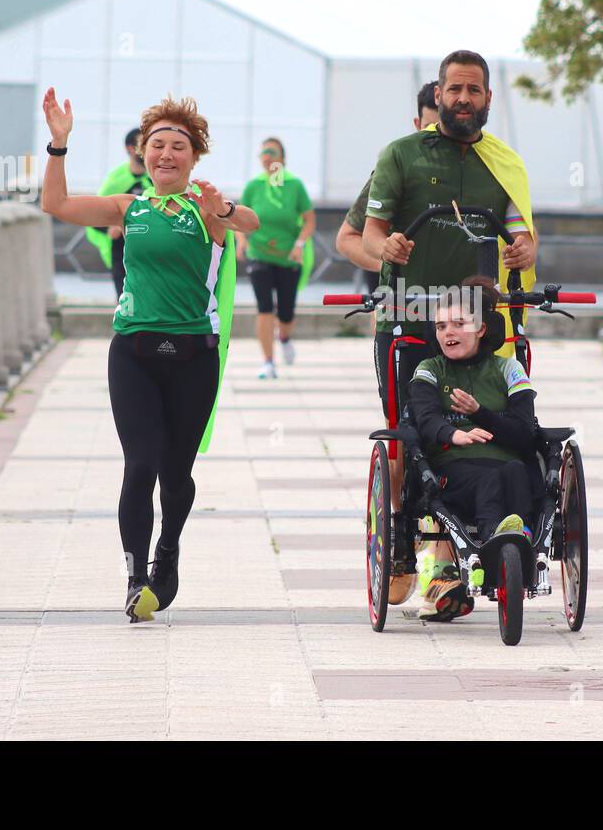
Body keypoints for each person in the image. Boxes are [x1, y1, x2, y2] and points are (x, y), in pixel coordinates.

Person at [39, 89, 260, 623]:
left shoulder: (204, 208)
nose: (165, 153)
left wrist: (222, 209)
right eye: (156, 144)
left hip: (193, 357)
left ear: (194, 155)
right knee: (139, 464)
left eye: (177, 145)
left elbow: (249, 223)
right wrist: (58, 146)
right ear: (142, 152)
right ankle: (137, 576)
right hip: (133, 353)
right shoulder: (128, 206)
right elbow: (56, 205)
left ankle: (169, 550)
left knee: (175, 472)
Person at [361, 50, 538, 609]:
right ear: (437, 95)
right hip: (408, 323)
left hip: (484, 328)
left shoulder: (503, 161)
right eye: (454, 89)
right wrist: (384, 248)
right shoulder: (400, 155)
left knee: (489, 432)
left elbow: (519, 233)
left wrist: (527, 247)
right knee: (410, 438)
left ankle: (459, 564)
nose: (464, 99)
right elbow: (368, 235)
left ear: (489, 98)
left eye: (475, 90)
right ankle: (403, 546)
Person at [409, 276, 536, 620]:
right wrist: (453, 435)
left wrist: (481, 414)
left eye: (459, 324)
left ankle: (520, 536)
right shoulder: (429, 369)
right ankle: (497, 542)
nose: (448, 332)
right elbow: (423, 419)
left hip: (506, 461)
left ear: (481, 328)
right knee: (488, 480)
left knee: (516, 470)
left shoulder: (509, 369)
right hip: (452, 469)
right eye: (440, 325)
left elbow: (525, 432)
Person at [334, 81, 439, 300]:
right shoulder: (395, 167)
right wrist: (390, 263)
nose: (438, 138)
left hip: (460, 303)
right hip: (401, 299)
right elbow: (346, 238)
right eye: (430, 128)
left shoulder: (484, 167)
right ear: (417, 124)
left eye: (445, 129)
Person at [238, 137, 316, 379]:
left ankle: (284, 336)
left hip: (288, 257)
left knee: (286, 311)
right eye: (263, 153)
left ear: (282, 158)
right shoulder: (253, 186)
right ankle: (268, 361)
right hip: (259, 254)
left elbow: (309, 220)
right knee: (264, 308)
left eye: (272, 152)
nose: (267, 157)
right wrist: (241, 241)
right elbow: (239, 217)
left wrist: (300, 244)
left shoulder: (294, 185)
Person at [85, 127, 151, 297]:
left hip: (151, 250)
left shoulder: (156, 179)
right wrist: (109, 229)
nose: (148, 148)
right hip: (121, 250)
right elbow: (92, 216)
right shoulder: (116, 180)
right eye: (143, 143)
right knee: (126, 302)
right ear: (130, 148)